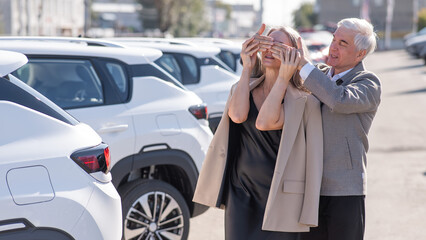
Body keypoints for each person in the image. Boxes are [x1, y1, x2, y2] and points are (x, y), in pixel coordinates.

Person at [192, 24, 323, 240]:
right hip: (241, 191)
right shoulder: (243, 87)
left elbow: (265, 122)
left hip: (281, 197)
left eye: (279, 46)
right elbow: (237, 116)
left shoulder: (305, 101)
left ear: (295, 54)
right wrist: (246, 67)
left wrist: (283, 77)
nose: (270, 50)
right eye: (267, 44)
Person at [295, 18, 382, 240]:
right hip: (310, 188)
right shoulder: (320, 74)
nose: (333, 46)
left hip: (345, 190)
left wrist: (303, 65)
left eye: (343, 43)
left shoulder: (368, 83)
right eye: (334, 39)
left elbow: (338, 99)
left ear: (360, 54)